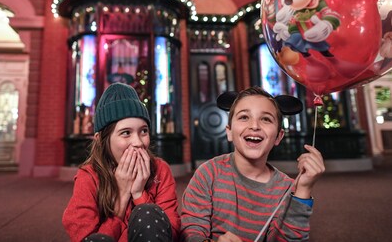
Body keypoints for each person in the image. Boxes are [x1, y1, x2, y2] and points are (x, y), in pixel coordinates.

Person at [180, 86, 325, 242]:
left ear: (278, 136)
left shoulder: (287, 189)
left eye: (266, 119)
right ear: (229, 131)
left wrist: (303, 189)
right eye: (244, 117)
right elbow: (192, 230)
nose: (255, 126)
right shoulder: (208, 173)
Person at [63, 83, 181, 242]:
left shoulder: (161, 170)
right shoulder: (89, 176)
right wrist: (121, 196)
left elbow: (171, 232)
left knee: (148, 213)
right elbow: (84, 238)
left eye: (144, 131)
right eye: (126, 133)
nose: (138, 142)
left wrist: (139, 194)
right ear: (101, 140)